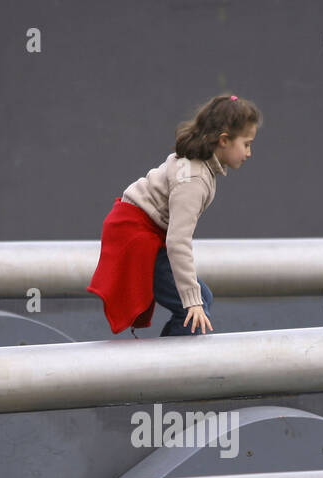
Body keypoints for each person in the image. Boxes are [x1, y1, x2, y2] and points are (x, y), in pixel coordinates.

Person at [86, 94, 260, 337]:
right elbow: (178, 242)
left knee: (203, 299)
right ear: (224, 140)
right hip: (137, 236)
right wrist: (192, 301)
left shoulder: (199, 166)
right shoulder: (194, 179)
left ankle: (167, 365)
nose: (249, 153)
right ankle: (166, 371)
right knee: (195, 310)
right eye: (247, 144)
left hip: (141, 230)